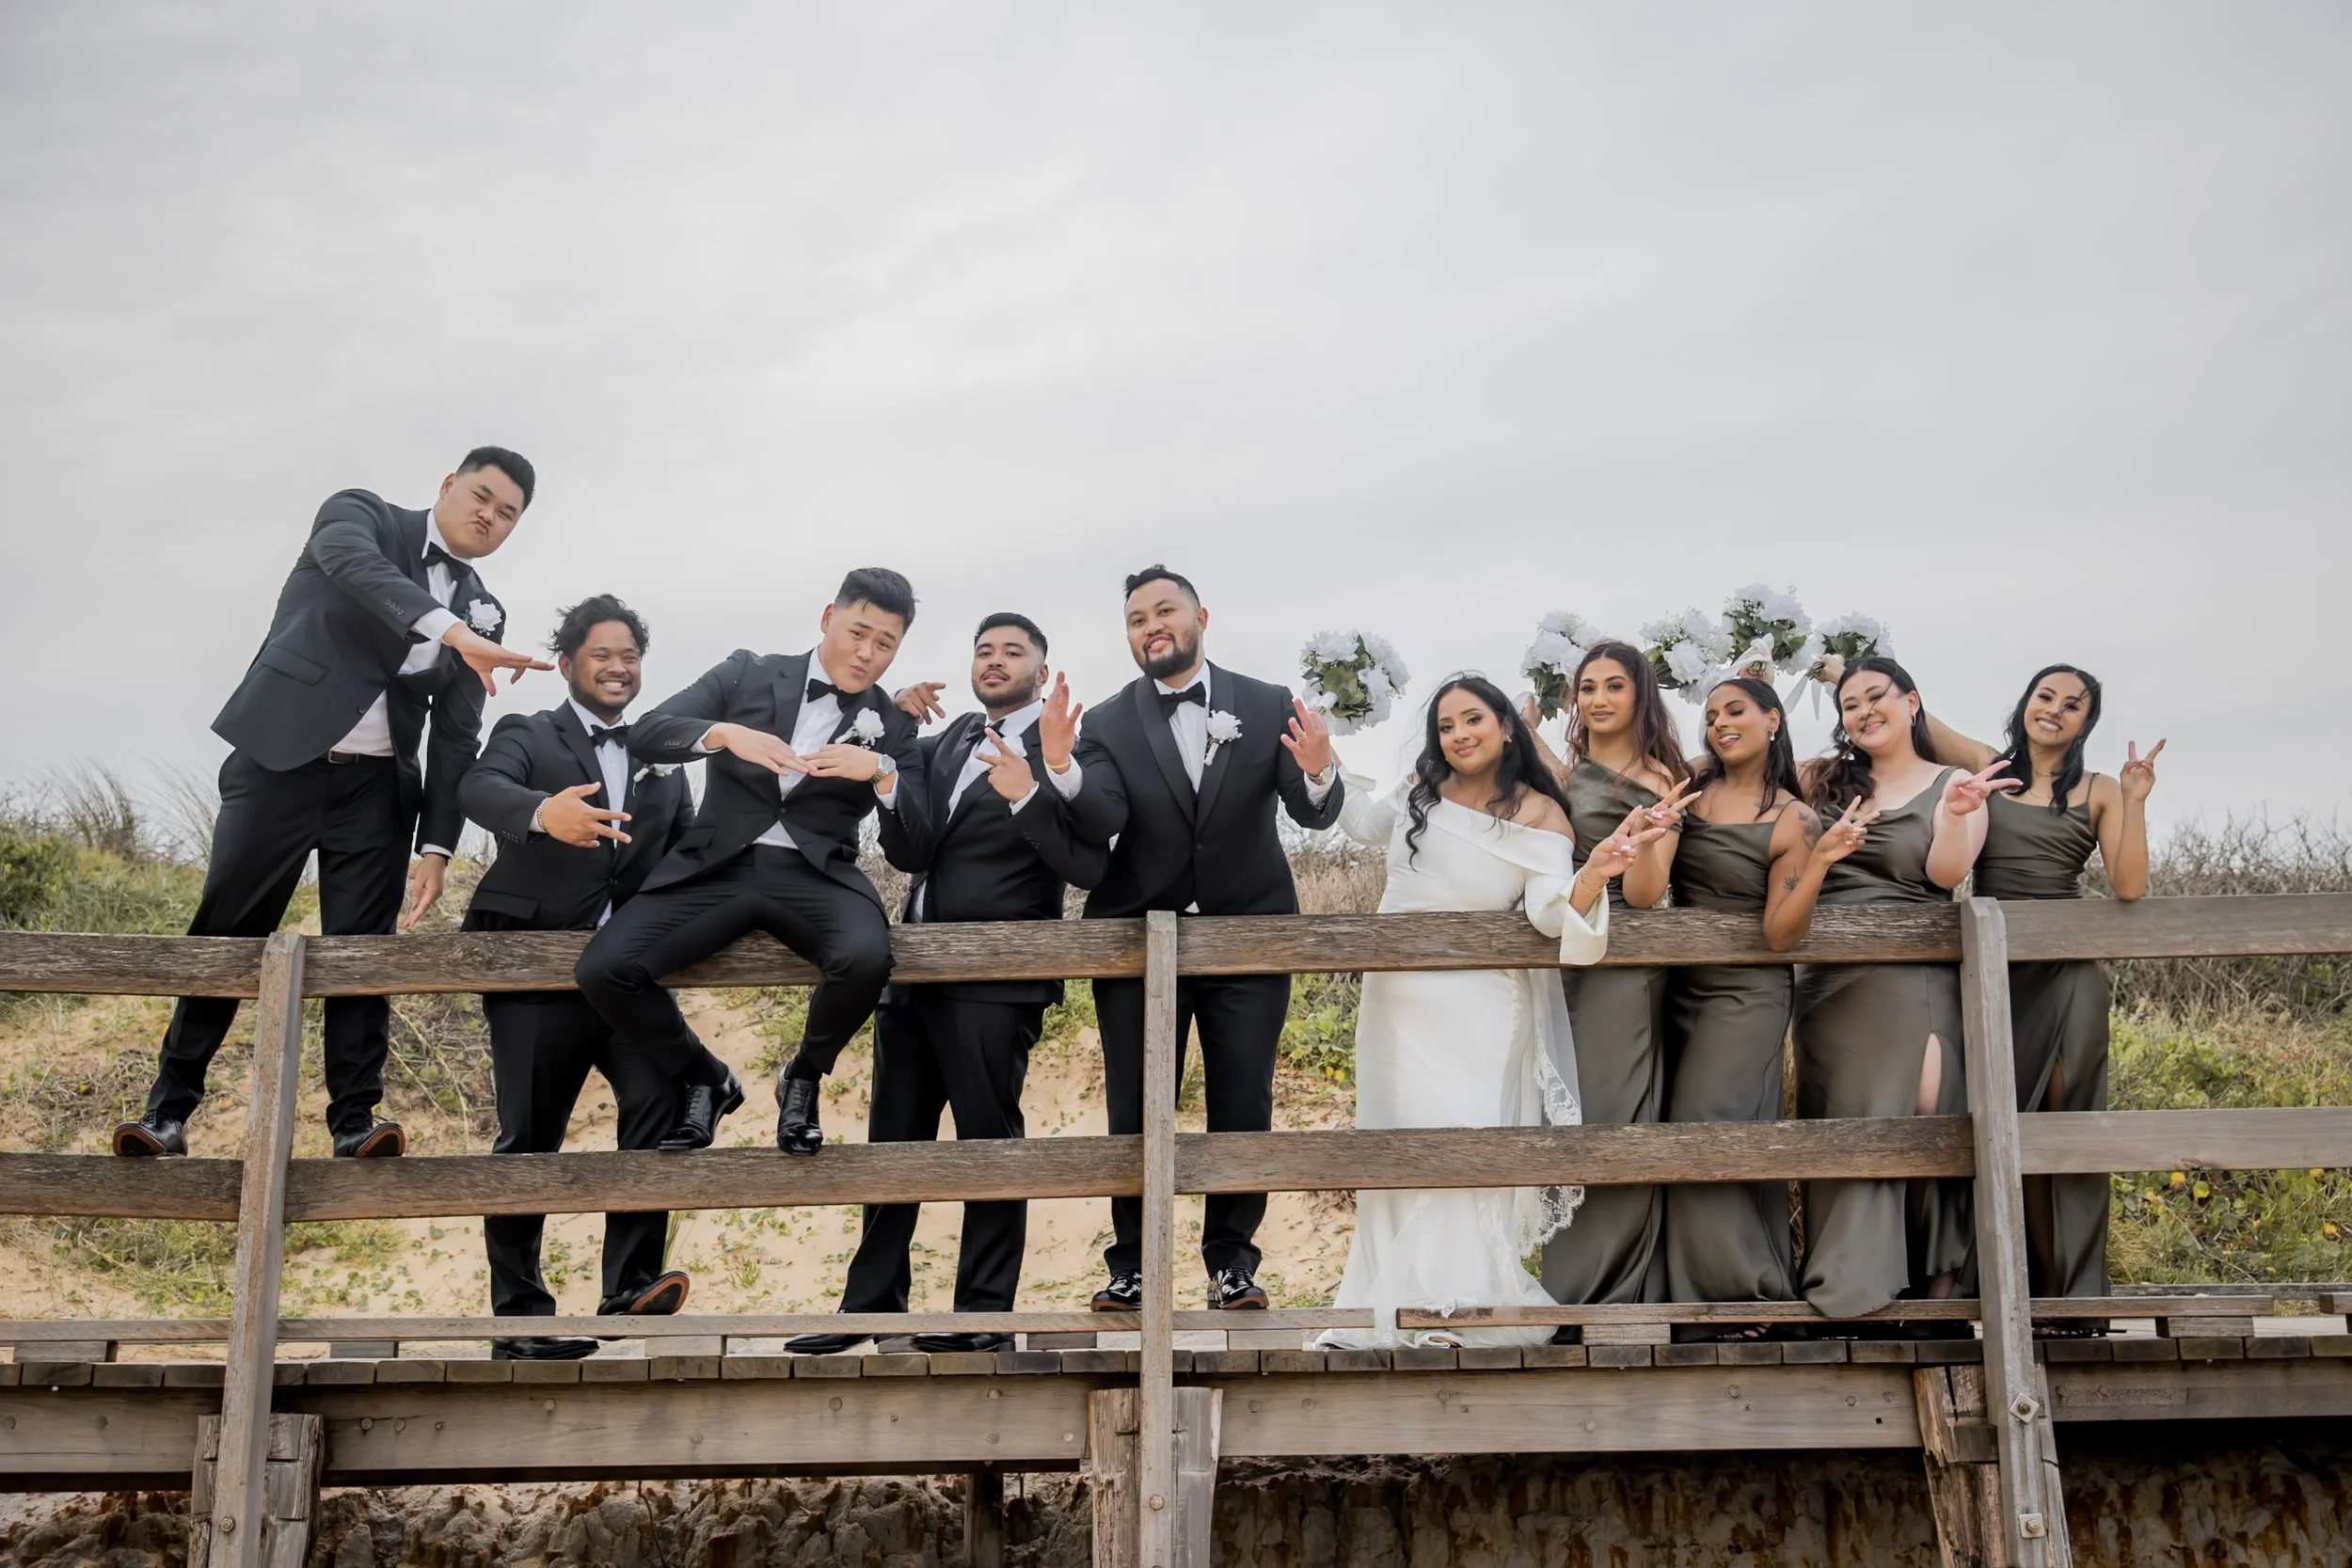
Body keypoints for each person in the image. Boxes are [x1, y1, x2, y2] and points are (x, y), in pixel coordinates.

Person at [115, 449, 551, 1160]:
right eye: (481, 496)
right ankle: (167, 1111)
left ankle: (355, 1121)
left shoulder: (485, 611)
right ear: (447, 485)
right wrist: (452, 630)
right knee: (228, 931)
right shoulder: (361, 517)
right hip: (278, 764)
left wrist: (437, 846)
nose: (489, 517)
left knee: (361, 953)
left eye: (507, 514)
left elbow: (456, 734)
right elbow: (360, 572)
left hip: (376, 793)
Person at [788, 615, 1108, 1356]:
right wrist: (893, 719)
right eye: (984, 650)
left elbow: (1088, 863)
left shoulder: (1062, 747)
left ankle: (983, 1312)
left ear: (1041, 665)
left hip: (997, 980)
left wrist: (1032, 789)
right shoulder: (952, 738)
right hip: (913, 971)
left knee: (989, 1144)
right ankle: (869, 1306)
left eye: (1013, 651)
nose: (995, 661)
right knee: (890, 1144)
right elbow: (909, 842)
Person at [1314, 676, 1656, 1351]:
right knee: (1397, 1143)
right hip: (1397, 1004)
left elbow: (1550, 911)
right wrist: (1322, 766)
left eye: (1473, 719)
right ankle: (1384, 1303)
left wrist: (1598, 872)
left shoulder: (1540, 816)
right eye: (1446, 724)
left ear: (1507, 726)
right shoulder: (1420, 790)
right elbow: (1360, 824)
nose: (1459, 734)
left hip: (1478, 1011)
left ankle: (1461, 1306)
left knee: (1461, 1141)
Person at [1053, 565, 1344, 1311]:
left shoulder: (1267, 702)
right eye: (1135, 619)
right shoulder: (1108, 723)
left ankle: (1232, 1265)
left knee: (1242, 1101)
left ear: (1200, 616)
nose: (1149, 625)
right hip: (1135, 941)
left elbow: (1313, 814)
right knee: (1135, 1106)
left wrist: (1318, 776)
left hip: (1249, 937)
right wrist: (1059, 766)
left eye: (1163, 610)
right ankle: (1133, 1265)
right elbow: (1102, 814)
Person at [575, 569, 932, 1156]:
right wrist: (723, 735)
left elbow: (913, 850)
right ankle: (706, 1077)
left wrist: (883, 775)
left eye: (885, 644)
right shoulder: (747, 670)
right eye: (857, 633)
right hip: (715, 867)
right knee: (603, 969)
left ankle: (805, 1077)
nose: (867, 654)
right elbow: (649, 731)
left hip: (817, 876)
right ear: (827, 619)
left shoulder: (893, 724)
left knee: (867, 958)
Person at [456, 596, 696, 1358]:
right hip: (533, 962)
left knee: (661, 1095)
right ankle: (521, 1319)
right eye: (602, 654)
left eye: (629, 656)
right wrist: (538, 812)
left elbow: (684, 857)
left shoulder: (664, 756)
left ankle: (628, 1285)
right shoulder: (528, 733)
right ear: (566, 663)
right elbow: (477, 790)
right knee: (530, 1136)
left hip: (624, 977)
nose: (618, 667)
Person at [1921, 665, 2160, 1319]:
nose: (2054, 709)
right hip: (1994, 974)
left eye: (2072, 704)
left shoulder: (2103, 789)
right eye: (2044, 696)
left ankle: (2072, 1300)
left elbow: (2130, 887)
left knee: (2063, 1131)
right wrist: (1838, 662)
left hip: (2067, 977)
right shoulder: (1986, 766)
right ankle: (2003, 1292)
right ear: (2025, 703)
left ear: (2088, 721)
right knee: (1998, 1127)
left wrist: (2137, 800)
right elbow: (1916, 716)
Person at [1794, 657, 2016, 1324]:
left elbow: (1947, 870)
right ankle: (1852, 1281)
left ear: (1911, 701)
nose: (1862, 711)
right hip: (1831, 980)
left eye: (1876, 696)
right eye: (1848, 703)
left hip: (1913, 967)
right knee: (1850, 1117)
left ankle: (1934, 1284)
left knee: (1925, 1107)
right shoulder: (1822, 781)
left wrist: (1953, 814)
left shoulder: (1954, 782)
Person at [1625, 676, 1848, 1335]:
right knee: (1678, 1126)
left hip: (1747, 993)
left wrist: (1819, 866)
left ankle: (1735, 1293)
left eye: (1737, 710)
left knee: (1709, 1120)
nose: (1720, 721)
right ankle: (1695, 1289)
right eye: (1712, 712)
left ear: (1773, 720)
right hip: (1676, 983)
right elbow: (1647, 885)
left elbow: (1782, 933)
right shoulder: (1689, 785)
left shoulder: (1795, 817)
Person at [1520, 640, 1689, 1316]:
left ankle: (1613, 1292)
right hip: (1563, 959)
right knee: (1563, 1120)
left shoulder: (1658, 780)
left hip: (1621, 972)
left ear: (1640, 694)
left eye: (1613, 685)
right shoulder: (1573, 772)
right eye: (1586, 687)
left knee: (1610, 1116)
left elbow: (1648, 896)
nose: (1597, 698)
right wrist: (1526, 727)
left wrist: (1643, 841)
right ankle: (1566, 1286)